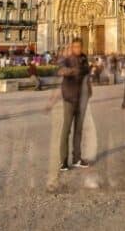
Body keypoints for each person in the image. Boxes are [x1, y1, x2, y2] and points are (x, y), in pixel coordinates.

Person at [57, 38, 91, 171]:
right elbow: (60, 70)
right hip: (69, 98)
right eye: (75, 47)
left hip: (81, 98)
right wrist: (72, 71)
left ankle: (77, 158)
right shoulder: (67, 58)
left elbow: (87, 74)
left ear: (82, 47)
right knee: (66, 129)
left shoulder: (84, 58)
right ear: (72, 47)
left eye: (79, 47)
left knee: (79, 129)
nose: (77, 49)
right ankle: (63, 161)